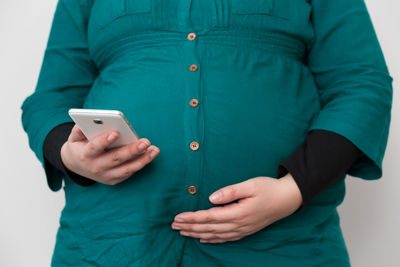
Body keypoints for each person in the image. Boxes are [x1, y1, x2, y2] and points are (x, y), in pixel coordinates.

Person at [20, 0, 393, 266]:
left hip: (282, 244)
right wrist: (69, 155)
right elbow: (50, 99)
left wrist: (291, 191)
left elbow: (361, 83)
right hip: (113, 241)